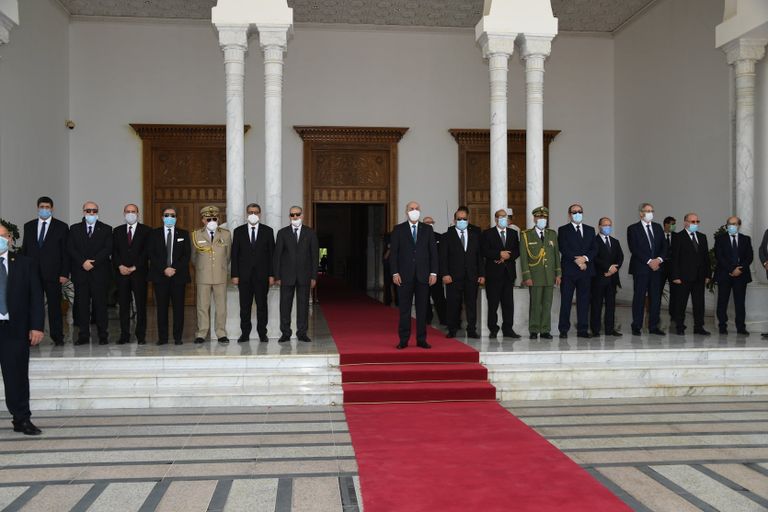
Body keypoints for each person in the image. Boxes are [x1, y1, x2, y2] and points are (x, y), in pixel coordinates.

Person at [0, 224, 44, 435]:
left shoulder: (25, 264)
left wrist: (36, 326)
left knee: (17, 376)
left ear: (10, 238)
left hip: (14, 329)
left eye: (3, 236)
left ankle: (22, 419)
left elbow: (36, 296)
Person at [20, 196, 70, 346]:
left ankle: (57, 336)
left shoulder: (61, 226)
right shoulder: (28, 226)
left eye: (47, 207)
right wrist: (23, 272)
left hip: (53, 274)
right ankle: (32, 337)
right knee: (33, 306)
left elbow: (65, 253)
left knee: (55, 306)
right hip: (32, 274)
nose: (44, 209)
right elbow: (25, 250)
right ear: (38, 208)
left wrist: (64, 273)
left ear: (52, 209)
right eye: (42, 207)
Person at [390, 201, 438, 349]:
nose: (414, 211)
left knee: (422, 309)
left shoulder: (427, 230)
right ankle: (403, 340)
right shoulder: (398, 229)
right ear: (406, 211)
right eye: (411, 209)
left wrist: (434, 272)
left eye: (417, 208)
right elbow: (394, 254)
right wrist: (395, 272)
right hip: (404, 276)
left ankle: (421, 339)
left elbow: (433, 253)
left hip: (423, 276)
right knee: (404, 310)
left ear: (420, 211)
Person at [68, 201, 113, 346]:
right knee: (82, 306)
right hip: (81, 273)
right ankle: (83, 335)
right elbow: (71, 248)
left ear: (98, 212)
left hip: (99, 273)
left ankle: (103, 335)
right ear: (83, 212)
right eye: (88, 210)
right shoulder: (74, 229)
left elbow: (108, 249)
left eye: (94, 210)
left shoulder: (106, 229)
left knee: (100, 306)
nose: (91, 213)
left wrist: (92, 263)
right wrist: (83, 262)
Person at [231, 203, 275, 343]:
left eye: (256, 212)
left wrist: (272, 275)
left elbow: (272, 255)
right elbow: (235, 254)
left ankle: (263, 333)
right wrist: (235, 275)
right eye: (250, 212)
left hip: (262, 276)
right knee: (245, 306)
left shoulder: (268, 231)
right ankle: (245, 333)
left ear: (260, 214)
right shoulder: (238, 231)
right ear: (246, 213)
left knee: (262, 306)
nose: (253, 214)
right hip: (244, 277)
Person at [274, 206, 318, 343]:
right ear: (289, 216)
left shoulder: (310, 233)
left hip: (305, 276)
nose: (295, 217)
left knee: (303, 305)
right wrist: (277, 276)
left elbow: (314, 256)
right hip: (286, 276)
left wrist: (313, 276)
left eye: (297, 214)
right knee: (285, 306)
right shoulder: (282, 233)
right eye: (292, 215)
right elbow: (277, 256)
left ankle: (302, 333)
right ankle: (285, 333)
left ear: (302, 215)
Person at [147, 207, 190, 345]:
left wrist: (174, 268)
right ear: (162, 217)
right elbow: (151, 254)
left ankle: (178, 337)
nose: (169, 217)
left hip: (178, 277)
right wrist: (164, 268)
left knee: (179, 309)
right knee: (161, 308)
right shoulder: (154, 234)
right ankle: (163, 338)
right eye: (167, 215)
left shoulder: (184, 233)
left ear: (176, 218)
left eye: (172, 215)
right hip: (160, 277)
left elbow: (186, 255)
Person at [440, 207, 484, 338]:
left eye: (464, 219)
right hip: (453, 277)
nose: (462, 221)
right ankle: (452, 329)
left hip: (471, 276)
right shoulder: (447, 236)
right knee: (453, 304)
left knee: (471, 304)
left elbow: (479, 257)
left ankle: (471, 329)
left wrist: (482, 274)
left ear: (468, 219)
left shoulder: (475, 236)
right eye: (459, 219)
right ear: (454, 220)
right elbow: (443, 258)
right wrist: (445, 274)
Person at [191, 206, 232, 344]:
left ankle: (221, 333)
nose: (212, 221)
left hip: (220, 275)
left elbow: (228, 256)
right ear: (203, 220)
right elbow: (194, 257)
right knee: (202, 306)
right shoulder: (196, 235)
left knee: (221, 306)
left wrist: (221, 267)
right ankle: (201, 333)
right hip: (203, 276)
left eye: (215, 218)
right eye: (209, 219)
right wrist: (202, 268)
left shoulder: (226, 234)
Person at [519, 206, 561, 340]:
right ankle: (534, 329)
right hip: (535, 275)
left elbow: (555, 255)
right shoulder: (526, 235)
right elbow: (524, 258)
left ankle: (545, 330)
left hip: (549, 275)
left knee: (547, 304)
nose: (542, 219)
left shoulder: (552, 234)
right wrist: (526, 276)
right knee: (535, 303)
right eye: (539, 217)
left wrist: (558, 274)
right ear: (534, 218)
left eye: (544, 217)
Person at [626, 202, 667, 336]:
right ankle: (636, 326)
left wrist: (659, 260)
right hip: (641, 268)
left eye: (651, 210)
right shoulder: (633, 228)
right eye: (647, 210)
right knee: (639, 297)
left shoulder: (658, 227)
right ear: (641, 213)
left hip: (656, 269)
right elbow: (634, 248)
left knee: (655, 298)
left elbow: (664, 246)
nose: (650, 213)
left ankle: (653, 326)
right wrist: (649, 261)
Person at [557, 203, 597, 339]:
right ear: (569, 215)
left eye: (580, 211)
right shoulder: (563, 230)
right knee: (566, 301)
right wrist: (577, 261)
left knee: (584, 301)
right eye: (574, 212)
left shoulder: (590, 230)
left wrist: (585, 259)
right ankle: (563, 329)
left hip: (586, 271)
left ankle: (583, 329)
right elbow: (563, 247)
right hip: (569, 271)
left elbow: (594, 249)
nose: (577, 214)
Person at [112, 204, 151, 345]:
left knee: (141, 305)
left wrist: (135, 267)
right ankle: (124, 335)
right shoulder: (117, 231)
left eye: (133, 211)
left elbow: (147, 252)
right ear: (124, 213)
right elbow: (114, 251)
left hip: (139, 274)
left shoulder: (146, 231)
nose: (130, 214)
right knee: (123, 306)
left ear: (137, 213)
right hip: (121, 274)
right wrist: (120, 266)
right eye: (128, 211)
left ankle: (141, 335)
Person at [480, 208, 521, 339]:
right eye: (500, 217)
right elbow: (484, 251)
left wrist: (507, 256)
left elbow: (517, 250)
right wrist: (499, 254)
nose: (503, 219)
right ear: (495, 219)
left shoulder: (513, 233)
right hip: (493, 274)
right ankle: (493, 328)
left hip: (508, 273)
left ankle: (508, 328)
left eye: (505, 217)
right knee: (493, 303)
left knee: (508, 303)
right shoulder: (487, 233)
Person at [670, 212, 711, 335]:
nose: (695, 224)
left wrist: (708, 274)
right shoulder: (678, 237)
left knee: (699, 303)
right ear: (685, 222)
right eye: (693, 221)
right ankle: (680, 326)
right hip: (683, 277)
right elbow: (675, 258)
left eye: (697, 221)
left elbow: (706, 258)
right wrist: (675, 276)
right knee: (681, 302)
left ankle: (699, 327)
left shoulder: (702, 237)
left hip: (699, 276)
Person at [714, 216, 752, 335]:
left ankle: (741, 327)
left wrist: (740, 269)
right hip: (725, 274)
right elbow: (719, 256)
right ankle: (722, 326)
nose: (731, 226)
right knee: (722, 302)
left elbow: (749, 256)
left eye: (734, 224)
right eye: (729, 224)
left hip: (741, 275)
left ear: (739, 225)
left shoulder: (746, 239)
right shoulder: (720, 239)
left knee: (740, 303)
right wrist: (731, 269)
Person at [590, 217, 624, 337]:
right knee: (596, 304)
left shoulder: (615, 241)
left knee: (611, 305)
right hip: (599, 278)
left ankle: (610, 329)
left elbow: (620, 257)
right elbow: (594, 258)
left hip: (612, 279)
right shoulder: (593, 241)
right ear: (599, 226)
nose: (607, 227)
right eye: (605, 225)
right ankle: (595, 329)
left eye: (609, 225)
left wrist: (614, 269)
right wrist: (608, 268)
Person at [423, 216, 446, 326]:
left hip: (436, 273)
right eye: (426, 223)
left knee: (439, 297)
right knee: (424, 298)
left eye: (431, 222)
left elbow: (442, 256)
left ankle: (443, 318)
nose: (429, 224)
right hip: (422, 273)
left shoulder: (439, 237)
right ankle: (427, 318)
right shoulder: (418, 237)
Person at [662, 216, 677, 324]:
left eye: (674, 224)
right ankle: (654, 313)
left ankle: (674, 314)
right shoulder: (658, 236)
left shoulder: (677, 236)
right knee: (657, 291)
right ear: (666, 224)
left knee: (675, 292)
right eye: (672, 223)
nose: (673, 226)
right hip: (661, 267)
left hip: (673, 268)